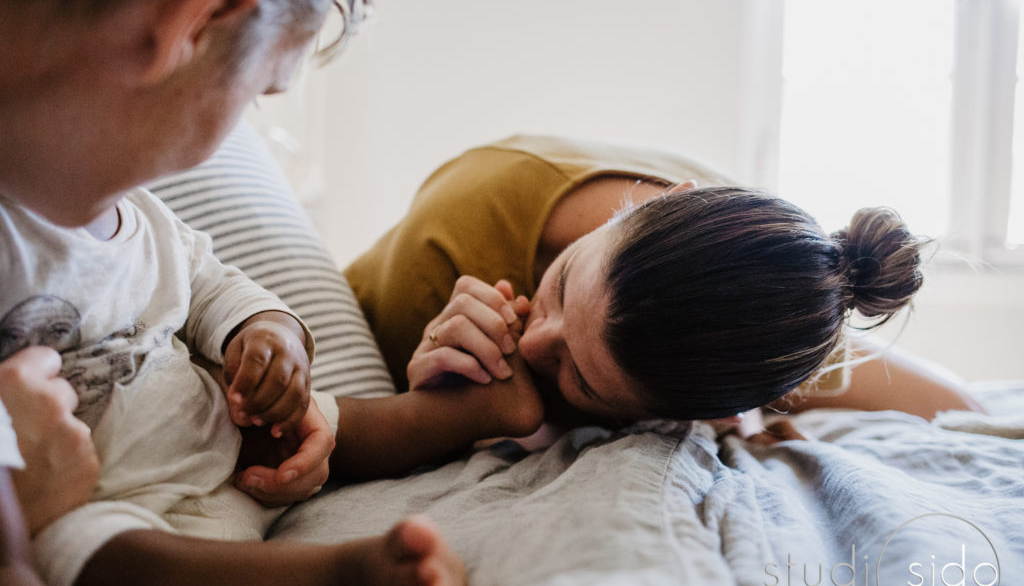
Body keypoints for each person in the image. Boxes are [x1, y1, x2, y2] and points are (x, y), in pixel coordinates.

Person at [0, 0, 548, 586]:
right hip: (119, 507)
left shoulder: (137, 210)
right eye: (261, 93)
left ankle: (477, 410)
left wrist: (268, 335)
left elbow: (209, 280)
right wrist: (12, 565)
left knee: (331, 418)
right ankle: (344, 579)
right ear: (200, 20)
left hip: (227, 433)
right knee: (104, 571)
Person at [346, 135, 984, 433]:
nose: (536, 342)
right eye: (562, 284)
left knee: (957, 406)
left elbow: (958, 410)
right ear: (664, 201)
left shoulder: (769, 312)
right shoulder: (436, 276)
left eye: (582, 380)